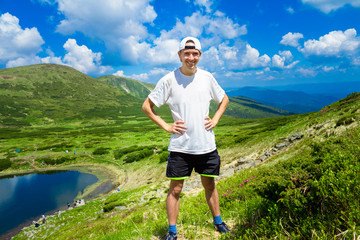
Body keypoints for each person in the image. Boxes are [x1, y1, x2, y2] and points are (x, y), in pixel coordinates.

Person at [142, 37, 230, 240]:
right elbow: (147, 106)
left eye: (195, 53)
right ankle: (172, 232)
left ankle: (218, 223)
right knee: (175, 189)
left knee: (210, 185)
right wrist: (166, 125)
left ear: (199, 55)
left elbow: (224, 98)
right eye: (187, 53)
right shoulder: (169, 79)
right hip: (181, 147)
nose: (191, 57)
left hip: (206, 145)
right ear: (180, 55)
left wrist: (215, 118)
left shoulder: (207, 77)